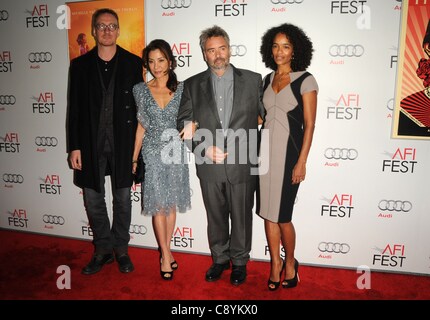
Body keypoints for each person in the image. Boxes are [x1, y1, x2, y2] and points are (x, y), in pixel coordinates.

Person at [177, 25, 264, 286]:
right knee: (215, 215)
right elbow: (183, 123)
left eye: (222, 48)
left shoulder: (253, 80)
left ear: (229, 49)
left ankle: (239, 262)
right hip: (209, 163)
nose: (217, 55)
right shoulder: (191, 85)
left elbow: (265, 115)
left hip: (243, 162)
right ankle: (219, 259)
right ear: (204, 54)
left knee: (241, 215)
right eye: (211, 50)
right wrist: (203, 147)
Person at [67, 8, 143, 275]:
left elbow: (139, 111)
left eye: (112, 26)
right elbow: (74, 109)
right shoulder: (79, 66)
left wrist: (138, 152)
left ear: (119, 30)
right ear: (93, 30)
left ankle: (120, 249)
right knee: (93, 197)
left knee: (123, 198)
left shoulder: (134, 64)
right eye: (102, 26)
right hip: (90, 143)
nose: (107, 30)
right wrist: (74, 146)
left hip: (122, 144)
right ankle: (102, 249)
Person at [258, 23, 318, 290]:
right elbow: (263, 117)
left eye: (286, 46)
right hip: (265, 156)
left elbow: (310, 124)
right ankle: (275, 264)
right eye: (275, 45)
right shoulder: (266, 80)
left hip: (289, 156)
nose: (279, 51)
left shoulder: (306, 80)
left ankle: (290, 262)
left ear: (295, 50)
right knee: (268, 215)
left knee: (283, 216)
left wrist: (302, 161)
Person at [132, 39, 191, 281]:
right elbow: (140, 127)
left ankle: (166, 250)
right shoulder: (140, 90)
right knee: (159, 205)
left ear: (170, 61)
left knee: (171, 205)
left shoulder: (183, 89)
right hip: (153, 152)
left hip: (175, 151)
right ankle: (166, 255)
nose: (156, 66)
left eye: (161, 60)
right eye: (151, 61)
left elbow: (191, 118)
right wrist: (134, 158)